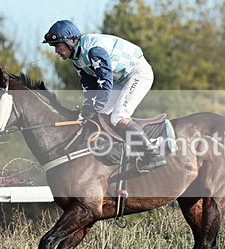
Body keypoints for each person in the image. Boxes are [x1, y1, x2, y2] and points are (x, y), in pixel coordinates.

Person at [43, 20, 167, 172]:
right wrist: (88, 107)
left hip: (137, 74)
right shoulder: (77, 58)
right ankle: (117, 153)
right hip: (119, 79)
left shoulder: (94, 51)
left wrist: (96, 105)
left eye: (57, 46)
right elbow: (89, 86)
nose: (56, 51)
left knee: (118, 116)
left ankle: (153, 155)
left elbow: (105, 81)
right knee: (100, 115)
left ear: (70, 41)